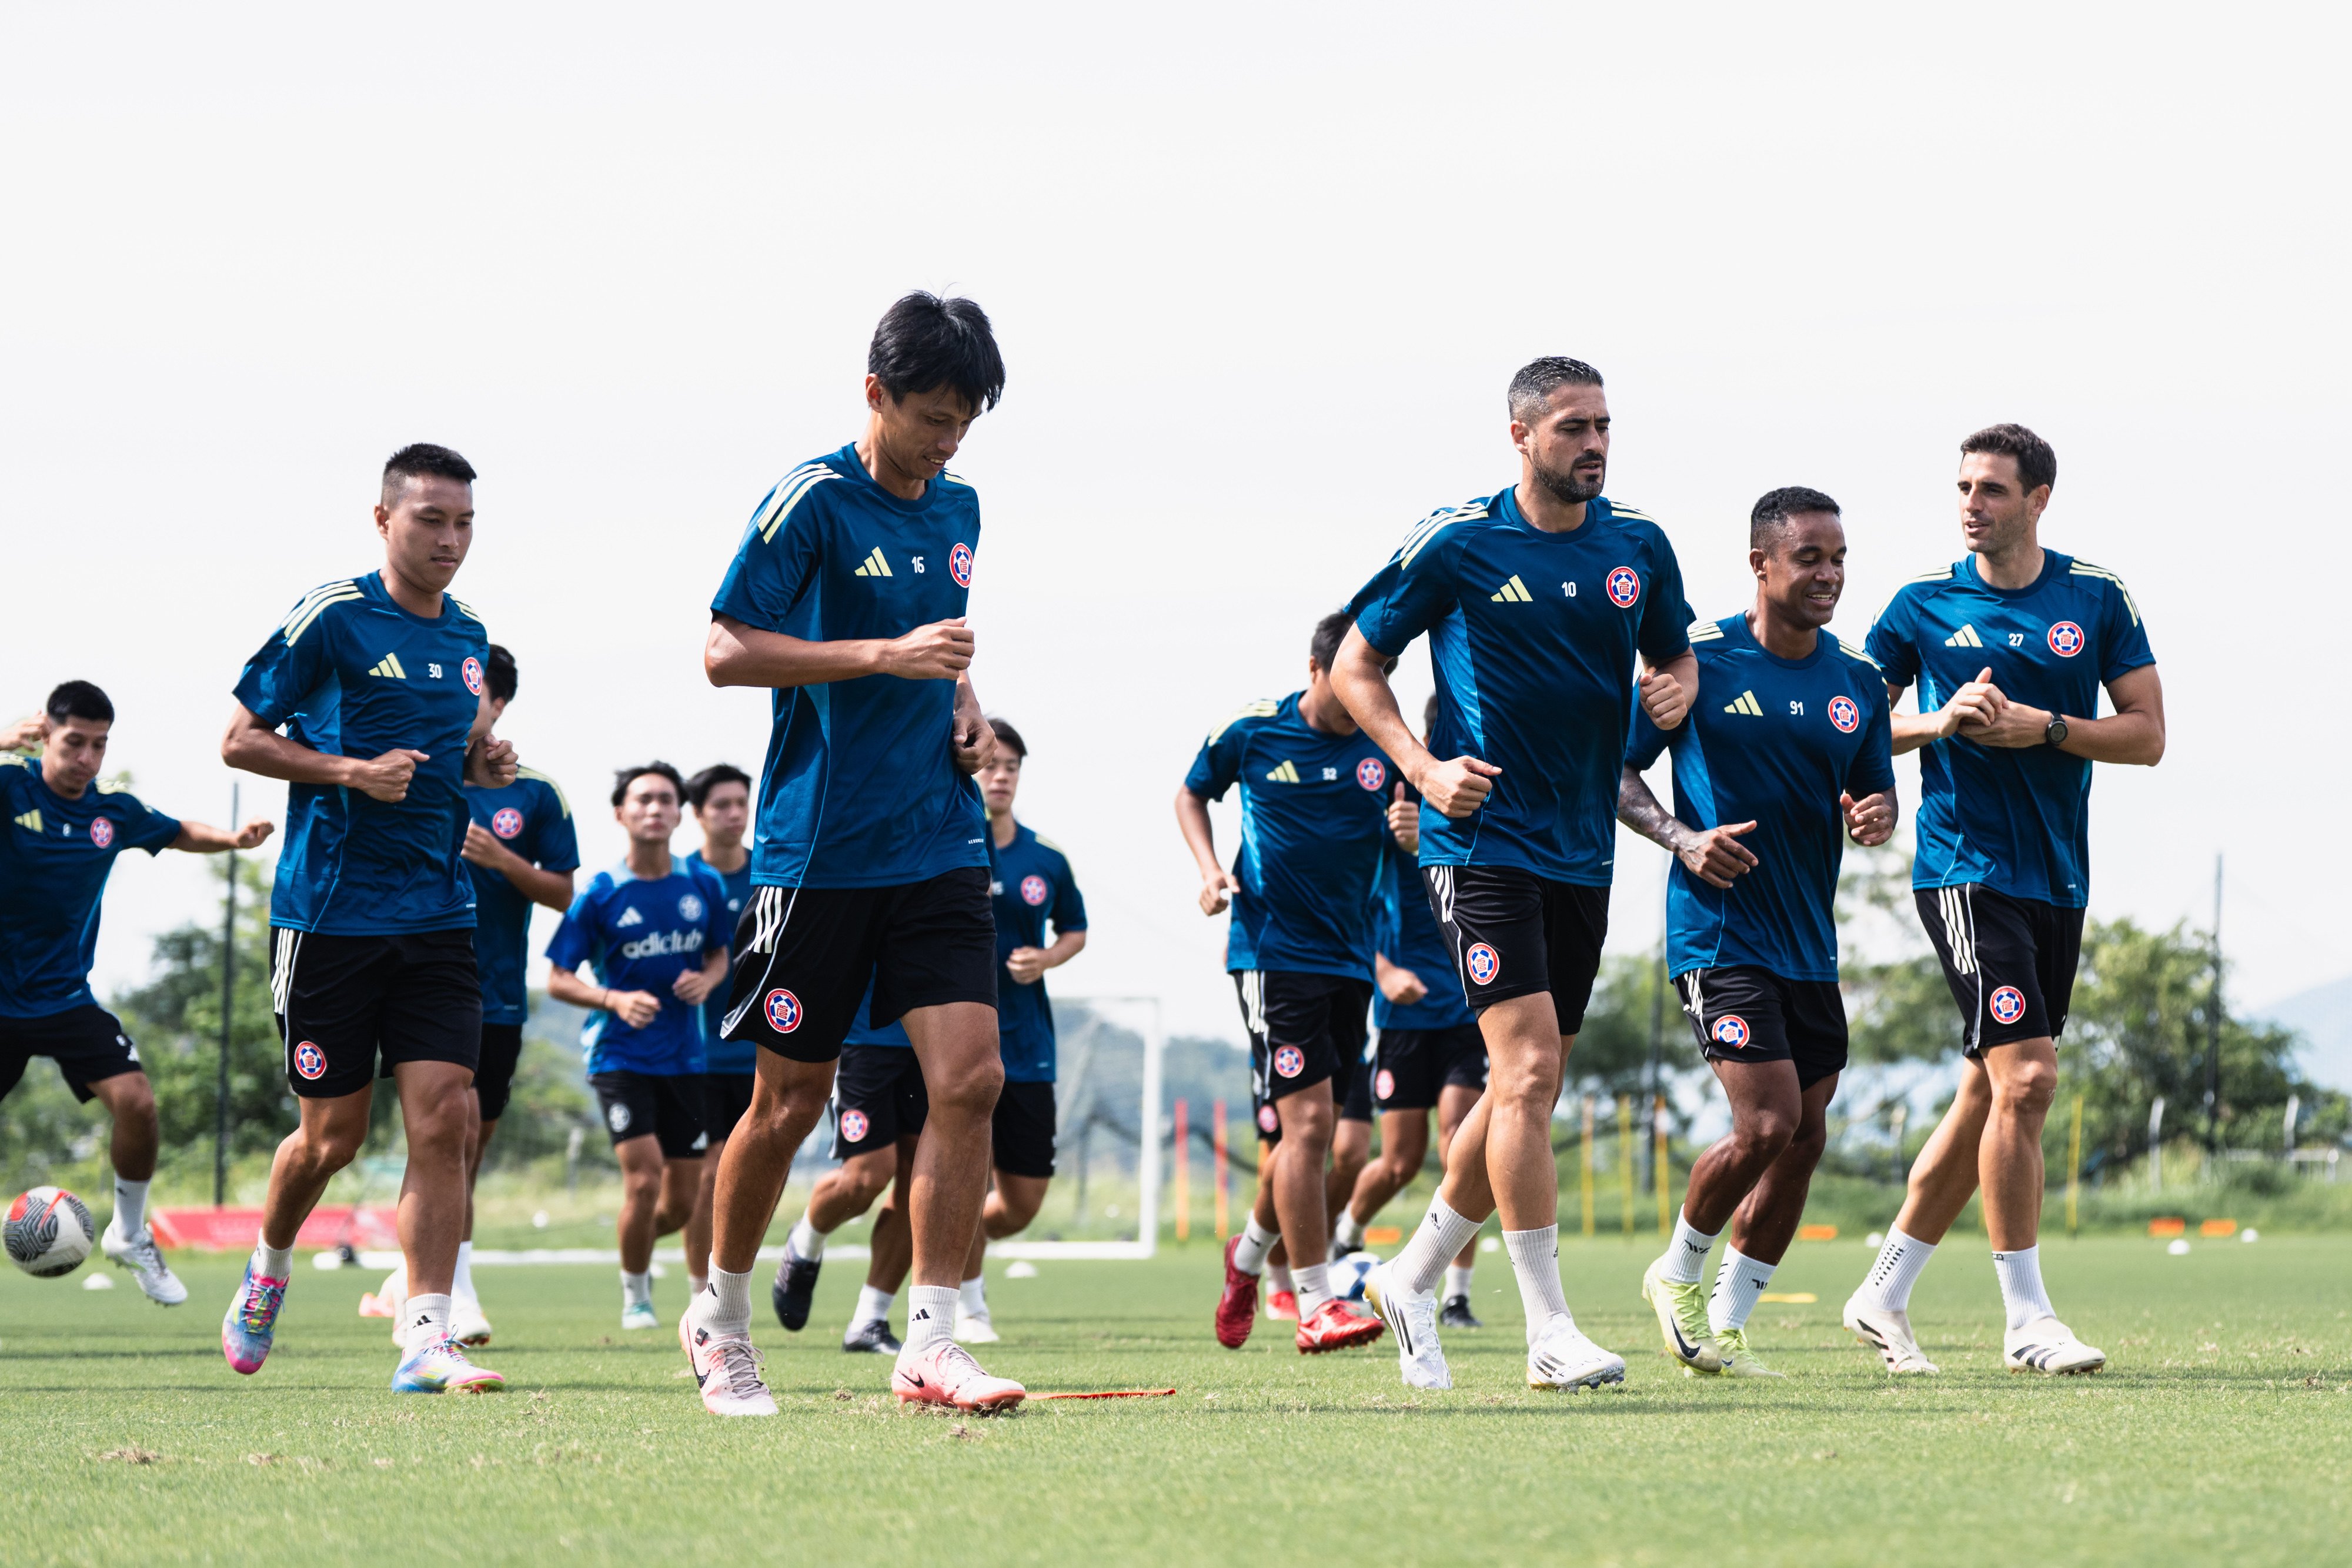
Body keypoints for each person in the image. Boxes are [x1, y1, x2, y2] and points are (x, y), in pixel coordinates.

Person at [684, 292, 1021, 1417]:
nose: (947, 442)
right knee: (787, 1105)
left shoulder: (961, 504)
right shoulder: (813, 500)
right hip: (817, 854)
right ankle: (718, 1320)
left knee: (972, 1080)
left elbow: (946, 647)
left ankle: (930, 1339)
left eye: (964, 421)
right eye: (931, 416)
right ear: (874, 394)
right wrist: (886, 654)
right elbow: (726, 649)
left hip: (934, 838)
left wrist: (968, 705)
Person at [1332, 356, 1696, 1392]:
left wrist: (1670, 694)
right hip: (1480, 844)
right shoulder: (1459, 540)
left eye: (1605, 427)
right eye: (1575, 427)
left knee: (1521, 1086)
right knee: (1530, 1071)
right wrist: (1420, 767)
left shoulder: (1640, 545)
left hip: (1583, 849)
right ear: (1522, 435)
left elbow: (1677, 658)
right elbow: (1357, 663)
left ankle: (1409, 1277)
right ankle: (1550, 1330)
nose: (1595, 444)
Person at [1843, 425, 2162, 1377]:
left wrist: (2047, 727)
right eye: (1963, 487)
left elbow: (2146, 735)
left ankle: (1884, 1288)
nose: (1971, 503)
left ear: (2039, 498)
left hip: (2057, 878)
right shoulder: (1920, 606)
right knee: (2028, 1081)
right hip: (1963, 870)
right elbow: (1849, 722)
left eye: (1991, 488)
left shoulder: (2096, 597)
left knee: (1990, 1086)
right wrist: (1940, 721)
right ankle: (2027, 1318)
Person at [219, 443, 518, 1393]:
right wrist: (349, 772)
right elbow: (238, 738)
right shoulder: (334, 618)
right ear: (384, 520)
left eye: (464, 521)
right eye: (431, 519)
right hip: (330, 918)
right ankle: (269, 1263)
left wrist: (481, 765)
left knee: (446, 1117)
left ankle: (424, 1331)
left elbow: (439, 757)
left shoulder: (469, 635)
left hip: (437, 914)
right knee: (331, 1137)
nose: (451, 539)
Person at [1616, 487, 1896, 1378]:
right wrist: (1683, 839)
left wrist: (1877, 812)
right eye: (1811, 557)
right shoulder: (1695, 662)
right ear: (1761, 563)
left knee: (1807, 1134)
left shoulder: (1856, 682)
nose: (1830, 574)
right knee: (1768, 1120)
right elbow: (1612, 772)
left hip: (1809, 943)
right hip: (1719, 935)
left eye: (1840, 557)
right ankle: (1679, 1269)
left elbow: (1872, 788)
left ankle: (1728, 1320)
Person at [813, 721, 1091, 1345]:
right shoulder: (932, 843)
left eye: (1011, 765)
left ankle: (934, 1275)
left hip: (1026, 1048)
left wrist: (1047, 958)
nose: (1000, 774)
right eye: (991, 763)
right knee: (925, 1171)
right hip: (929, 1046)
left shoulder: (1045, 858)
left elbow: (1074, 928)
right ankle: (961, 1306)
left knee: (1020, 1204)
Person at [1, 683, 273, 1305]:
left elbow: (178, 831)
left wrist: (232, 840)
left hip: (66, 998)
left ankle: (128, 1234)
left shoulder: (110, 814)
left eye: (100, 747)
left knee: (139, 1102)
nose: (87, 761)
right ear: (44, 734)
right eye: (75, 744)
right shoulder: (10, 788)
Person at [1179, 611, 1391, 1356]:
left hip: (1351, 961)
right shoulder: (1254, 730)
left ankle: (1242, 1263)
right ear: (1314, 669)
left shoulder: (1385, 741)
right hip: (1273, 953)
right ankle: (1314, 1301)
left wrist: (1415, 827)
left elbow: (1418, 822)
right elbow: (1190, 793)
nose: (1365, 696)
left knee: (1327, 1145)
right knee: (1303, 1131)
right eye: (1351, 682)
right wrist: (1209, 872)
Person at [545, 763, 730, 1329]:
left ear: (680, 813)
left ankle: (636, 1251)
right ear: (621, 813)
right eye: (643, 799)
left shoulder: (704, 884)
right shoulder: (601, 892)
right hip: (618, 1057)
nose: (655, 808)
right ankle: (637, 1296)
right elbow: (558, 976)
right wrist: (614, 1000)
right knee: (644, 1178)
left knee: (682, 1197)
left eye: (665, 799)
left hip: (685, 1058)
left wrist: (708, 980)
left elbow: (721, 954)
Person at [1335, 697, 1487, 1330]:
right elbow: (1345, 906)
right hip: (1402, 1019)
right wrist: (1383, 970)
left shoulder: (1487, 796)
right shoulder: (1389, 800)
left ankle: (1455, 1293)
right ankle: (1346, 1238)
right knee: (1398, 1160)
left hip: (1468, 1010)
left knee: (1462, 1145)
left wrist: (1435, 837)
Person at [446, 644, 577, 1343]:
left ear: (498, 706)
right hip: (427, 988)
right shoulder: (417, 775)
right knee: (453, 1131)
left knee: (469, 1146)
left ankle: (425, 1268)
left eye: (476, 692)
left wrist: (503, 859)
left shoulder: (536, 794)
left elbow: (563, 893)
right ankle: (454, 1296)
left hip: (499, 997)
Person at [771, 985, 928, 1355]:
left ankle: (869, 1320)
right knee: (866, 1177)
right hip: (862, 1039)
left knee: (923, 1181)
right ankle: (805, 1240)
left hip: (931, 1040)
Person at [681, 762, 755, 1302]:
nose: (734, 814)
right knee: (708, 1177)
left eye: (741, 803)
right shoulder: (682, 878)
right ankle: (698, 1292)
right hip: (697, 1055)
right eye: (722, 805)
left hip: (762, 1052)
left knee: (751, 1178)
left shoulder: (772, 873)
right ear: (698, 814)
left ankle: (731, 1284)